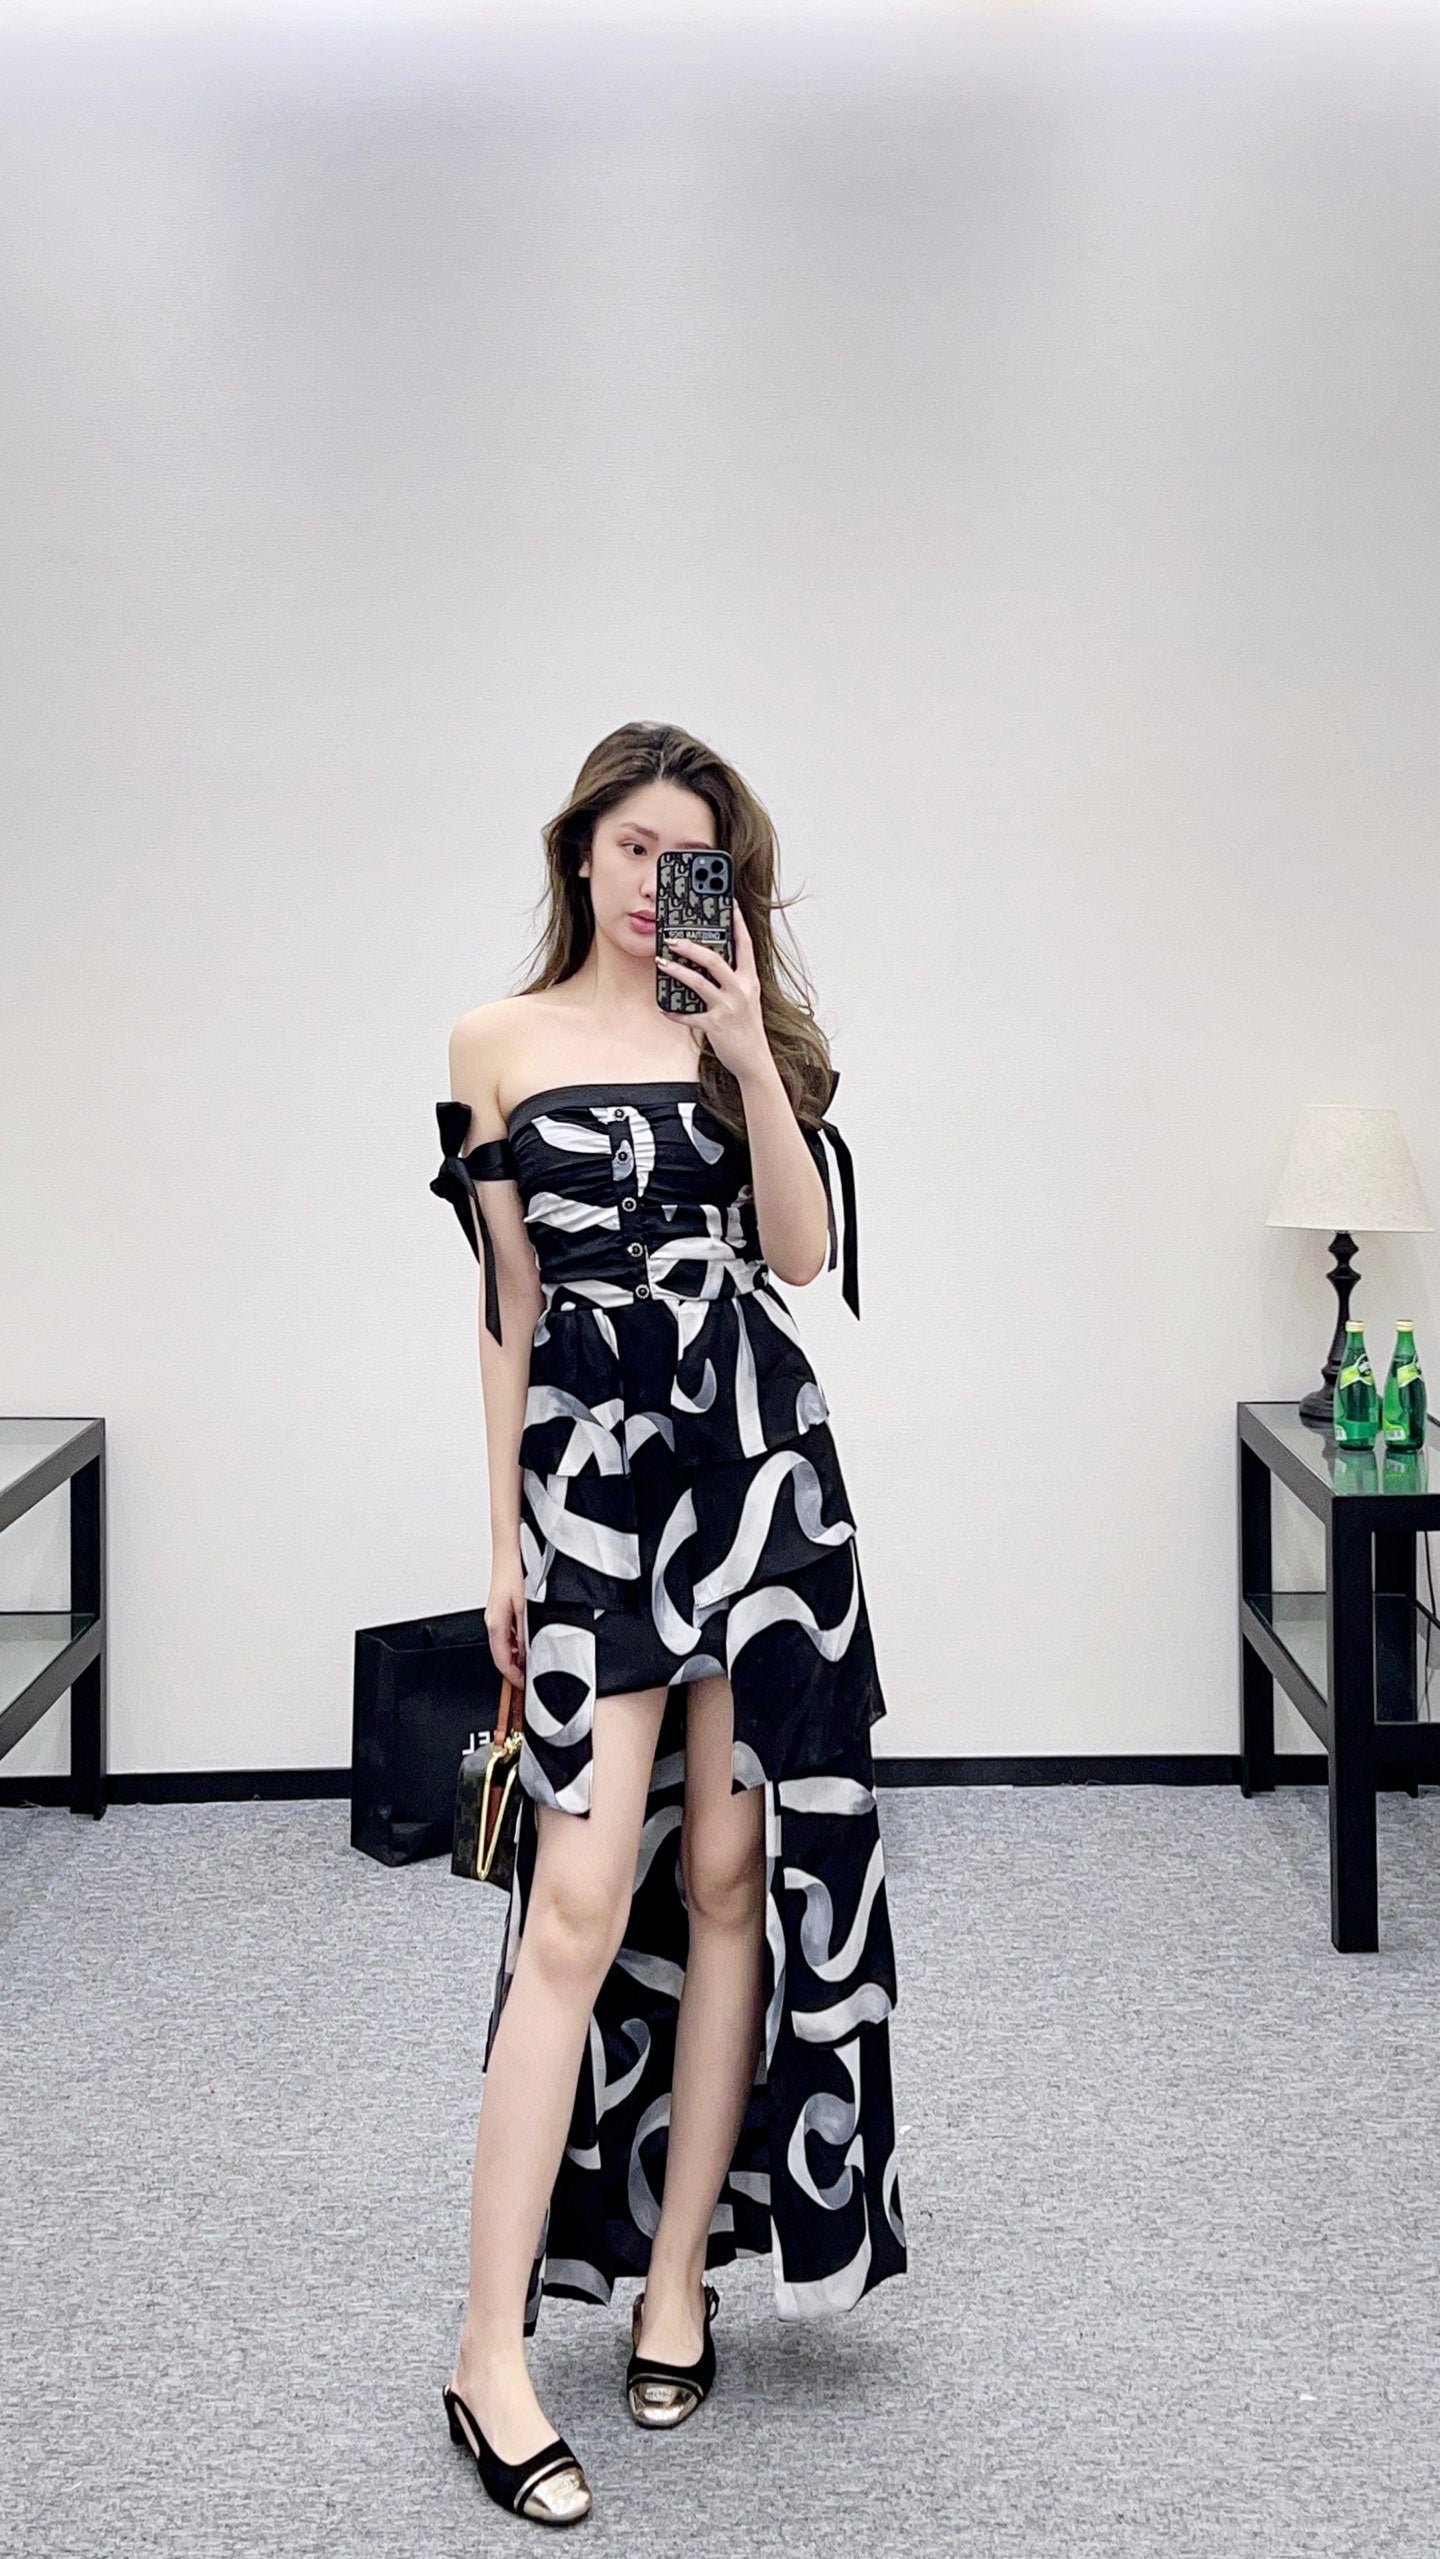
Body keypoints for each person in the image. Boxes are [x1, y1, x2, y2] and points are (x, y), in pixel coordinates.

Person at [431, 721, 907, 2525]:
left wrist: (751, 1062)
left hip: (762, 1482)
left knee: (724, 1882)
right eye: (631, 847)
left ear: (725, 879)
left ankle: (678, 2278)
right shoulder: (495, 1043)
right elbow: (509, 1301)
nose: (652, 883)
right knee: (573, 1901)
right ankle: (486, 2354)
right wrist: (503, 1542)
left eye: (685, 856)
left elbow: (798, 1255)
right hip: (595, 1491)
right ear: (582, 852)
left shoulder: (739, 1032)